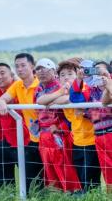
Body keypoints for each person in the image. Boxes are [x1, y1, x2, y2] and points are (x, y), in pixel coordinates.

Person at [41, 60, 101, 190]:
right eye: (62, 75)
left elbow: (73, 99)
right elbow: (41, 100)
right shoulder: (62, 90)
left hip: (90, 139)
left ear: (78, 75)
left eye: (70, 73)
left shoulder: (83, 87)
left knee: (90, 178)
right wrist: (59, 95)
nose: (66, 77)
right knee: (80, 176)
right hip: (77, 140)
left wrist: (56, 100)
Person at [0, 53, 44, 187]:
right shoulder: (18, 85)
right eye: (17, 66)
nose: (20, 69)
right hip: (33, 139)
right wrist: (3, 103)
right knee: (33, 176)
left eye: (23, 65)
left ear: (32, 66)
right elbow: (2, 98)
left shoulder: (41, 83)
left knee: (50, 175)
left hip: (49, 135)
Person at [32, 59, 81, 192]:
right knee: (49, 168)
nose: (41, 73)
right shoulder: (38, 89)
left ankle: (71, 193)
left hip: (59, 134)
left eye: (46, 69)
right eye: (38, 70)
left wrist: (61, 127)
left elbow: (67, 113)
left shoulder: (61, 86)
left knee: (64, 166)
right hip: (44, 135)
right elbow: (39, 105)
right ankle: (56, 195)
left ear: (54, 72)